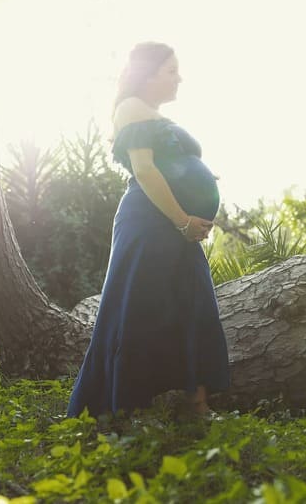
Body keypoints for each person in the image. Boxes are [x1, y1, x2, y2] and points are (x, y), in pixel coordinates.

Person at [67, 42, 230, 418]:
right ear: (149, 73)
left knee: (194, 304)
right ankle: (119, 408)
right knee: (138, 308)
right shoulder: (131, 108)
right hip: (151, 222)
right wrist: (183, 219)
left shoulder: (152, 114)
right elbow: (143, 170)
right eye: (171, 70)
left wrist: (198, 179)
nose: (179, 77)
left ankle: (197, 404)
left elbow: (169, 164)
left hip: (174, 224)